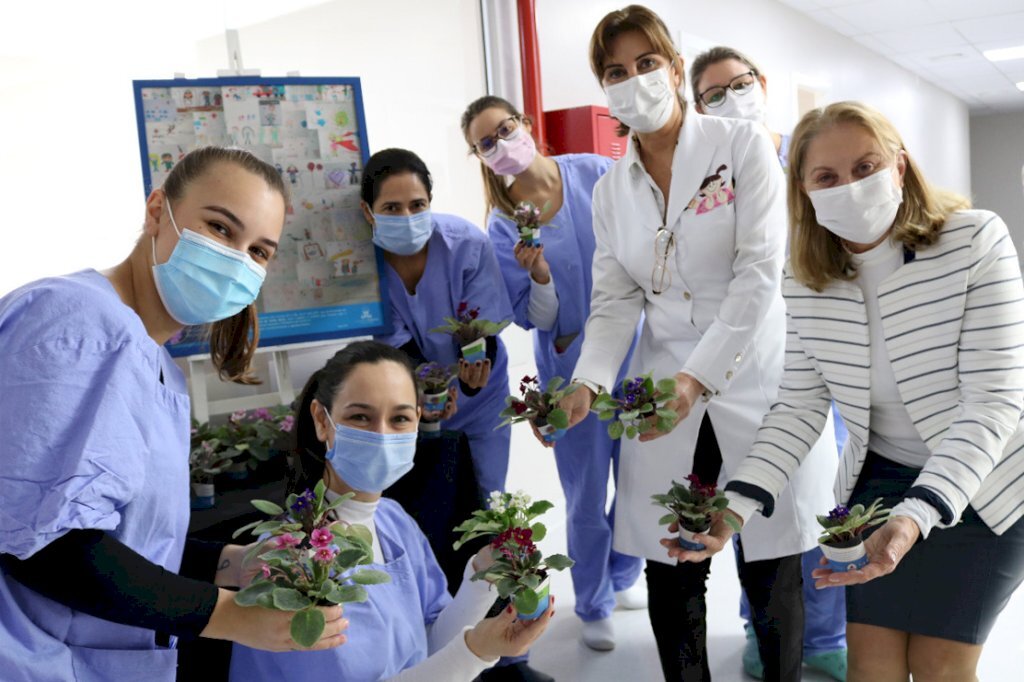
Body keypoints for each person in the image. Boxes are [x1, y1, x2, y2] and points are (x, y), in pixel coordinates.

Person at [558, 6, 838, 681]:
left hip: (755, 376)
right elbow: (616, 297)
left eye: (647, 63)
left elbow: (758, 275)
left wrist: (696, 378)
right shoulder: (609, 189)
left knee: (770, 569)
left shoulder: (740, 149)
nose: (635, 81)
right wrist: (589, 379)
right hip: (661, 385)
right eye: (616, 72)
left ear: (676, 69)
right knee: (671, 570)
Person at [704, 100, 1024, 682]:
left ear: (899, 166)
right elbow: (800, 405)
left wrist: (917, 515)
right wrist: (737, 506)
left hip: (985, 483)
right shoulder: (803, 277)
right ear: (803, 192)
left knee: (939, 668)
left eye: (866, 166)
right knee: (870, 668)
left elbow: (993, 402)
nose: (849, 187)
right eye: (826, 177)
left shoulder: (975, 240)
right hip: (881, 478)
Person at [0, 147, 348, 682]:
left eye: (258, 251)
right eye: (219, 228)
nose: (237, 259)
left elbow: (134, 542)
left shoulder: (159, 367)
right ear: (158, 209)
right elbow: (46, 542)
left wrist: (235, 563)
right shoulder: (76, 320)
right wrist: (228, 616)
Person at [230, 341, 553, 681]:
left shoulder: (393, 521)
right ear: (321, 421)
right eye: (360, 417)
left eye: (399, 418)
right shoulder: (291, 562)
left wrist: (483, 575)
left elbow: (430, 645)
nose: (382, 435)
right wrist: (477, 651)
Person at [461, 95, 646, 653]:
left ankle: (622, 574)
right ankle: (592, 601)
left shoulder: (593, 172)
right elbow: (535, 318)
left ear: (527, 125)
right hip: (568, 367)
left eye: (504, 130)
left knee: (639, 475)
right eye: (485, 144)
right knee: (586, 490)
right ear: (480, 157)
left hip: (635, 353)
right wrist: (538, 272)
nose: (500, 146)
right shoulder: (501, 225)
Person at [690, 46, 848, 681]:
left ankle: (828, 635)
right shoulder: (708, 176)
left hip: (817, 350)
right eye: (713, 94)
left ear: (764, 83)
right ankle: (760, 628)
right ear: (698, 107)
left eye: (740, 84)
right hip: (742, 361)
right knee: (748, 506)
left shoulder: (805, 160)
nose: (731, 99)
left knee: (821, 501)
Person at [365, 148, 513, 499]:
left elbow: (480, 327)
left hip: (482, 398)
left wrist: (473, 378)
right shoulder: (363, 266)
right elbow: (399, 348)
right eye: (391, 208)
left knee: (488, 499)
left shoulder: (465, 244)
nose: (407, 216)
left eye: (417, 205)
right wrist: (431, 389)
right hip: (414, 396)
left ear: (430, 201)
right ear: (368, 212)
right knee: (428, 504)